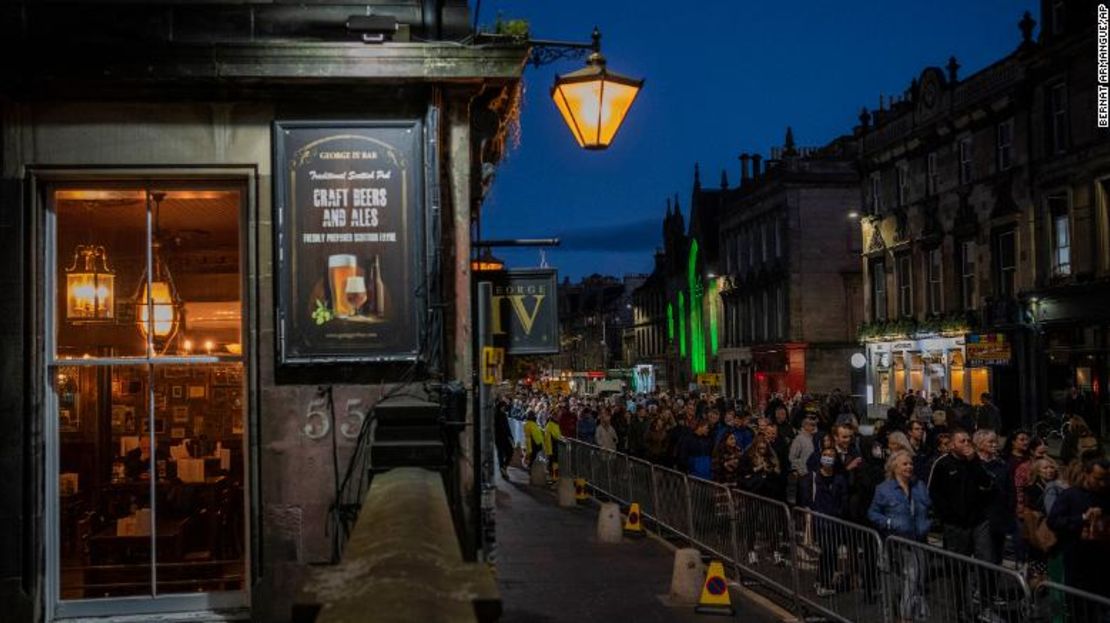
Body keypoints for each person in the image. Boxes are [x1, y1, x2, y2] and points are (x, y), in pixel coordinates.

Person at [927, 429, 996, 622]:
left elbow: (986, 481)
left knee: (986, 561)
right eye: (961, 441)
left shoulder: (974, 462)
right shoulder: (942, 464)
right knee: (958, 569)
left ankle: (985, 605)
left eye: (968, 440)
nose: (966, 443)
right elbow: (933, 493)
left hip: (978, 521)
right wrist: (947, 516)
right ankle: (960, 609)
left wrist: (974, 461)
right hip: (956, 525)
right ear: (951, 445)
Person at [868, 450, 931, 622]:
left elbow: (928, 507)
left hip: (916, 542)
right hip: (893, 544)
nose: (909, 467)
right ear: (894, 467)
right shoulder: (883, 489)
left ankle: (906, 617)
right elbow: (873, 514)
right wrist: (889, 523)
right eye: (905, 464)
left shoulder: (919, 486)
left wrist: (926, 524)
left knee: (914, 581)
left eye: (910, 463)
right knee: (892, 585)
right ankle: (891, 617)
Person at [1048, 458, 1110, 597]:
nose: (1103, 483)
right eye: (1098, 479)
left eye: (1106, 479)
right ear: (1086, 474)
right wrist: (1082, 518)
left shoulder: (1107, 494)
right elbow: (1053, 521)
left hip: (1104, 560)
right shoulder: (1070, 495)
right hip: (1078, 559)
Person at [797, 445, 849, 597]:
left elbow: (843, 499)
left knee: (831, 553)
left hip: (835, 522)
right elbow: (807, 498)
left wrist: (839, 513)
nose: (828, 458)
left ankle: (821, 580)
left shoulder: (839, 479)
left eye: (831, 455)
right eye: (825, 454)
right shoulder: (813, 478)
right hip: (820, 521)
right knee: (827, 551)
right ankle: (824, 583)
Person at [1023, 457, 1065, 586]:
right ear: (1038, 471)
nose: (1049, 470)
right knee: (1037, 566)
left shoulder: (1059, 486)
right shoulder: (1033, 488)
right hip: (1039, 530)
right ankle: (1032, 596)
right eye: (1045, 468)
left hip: (1052, 532)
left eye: (1051, 467)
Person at [494, 398, 515, 478]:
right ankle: (502, 469)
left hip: (505, 437)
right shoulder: (496, 415)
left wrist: (511, 437)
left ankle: (504, 467)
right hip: (499, 437)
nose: (504, 408)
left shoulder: (504, 415)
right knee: (500, 454)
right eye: (503, 407)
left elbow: (507, 427)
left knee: (510, 451)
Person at [543, 411, 563, 477]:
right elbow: (556, 435)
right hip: (552, 446)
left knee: (552, 461)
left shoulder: (551, 424)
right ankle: (553, 476)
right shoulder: (552, 424)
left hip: (551, 446)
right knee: (553, 461)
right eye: (557, 416)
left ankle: (553, 475)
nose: (558, 418)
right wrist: (562, 438)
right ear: (554, 417)